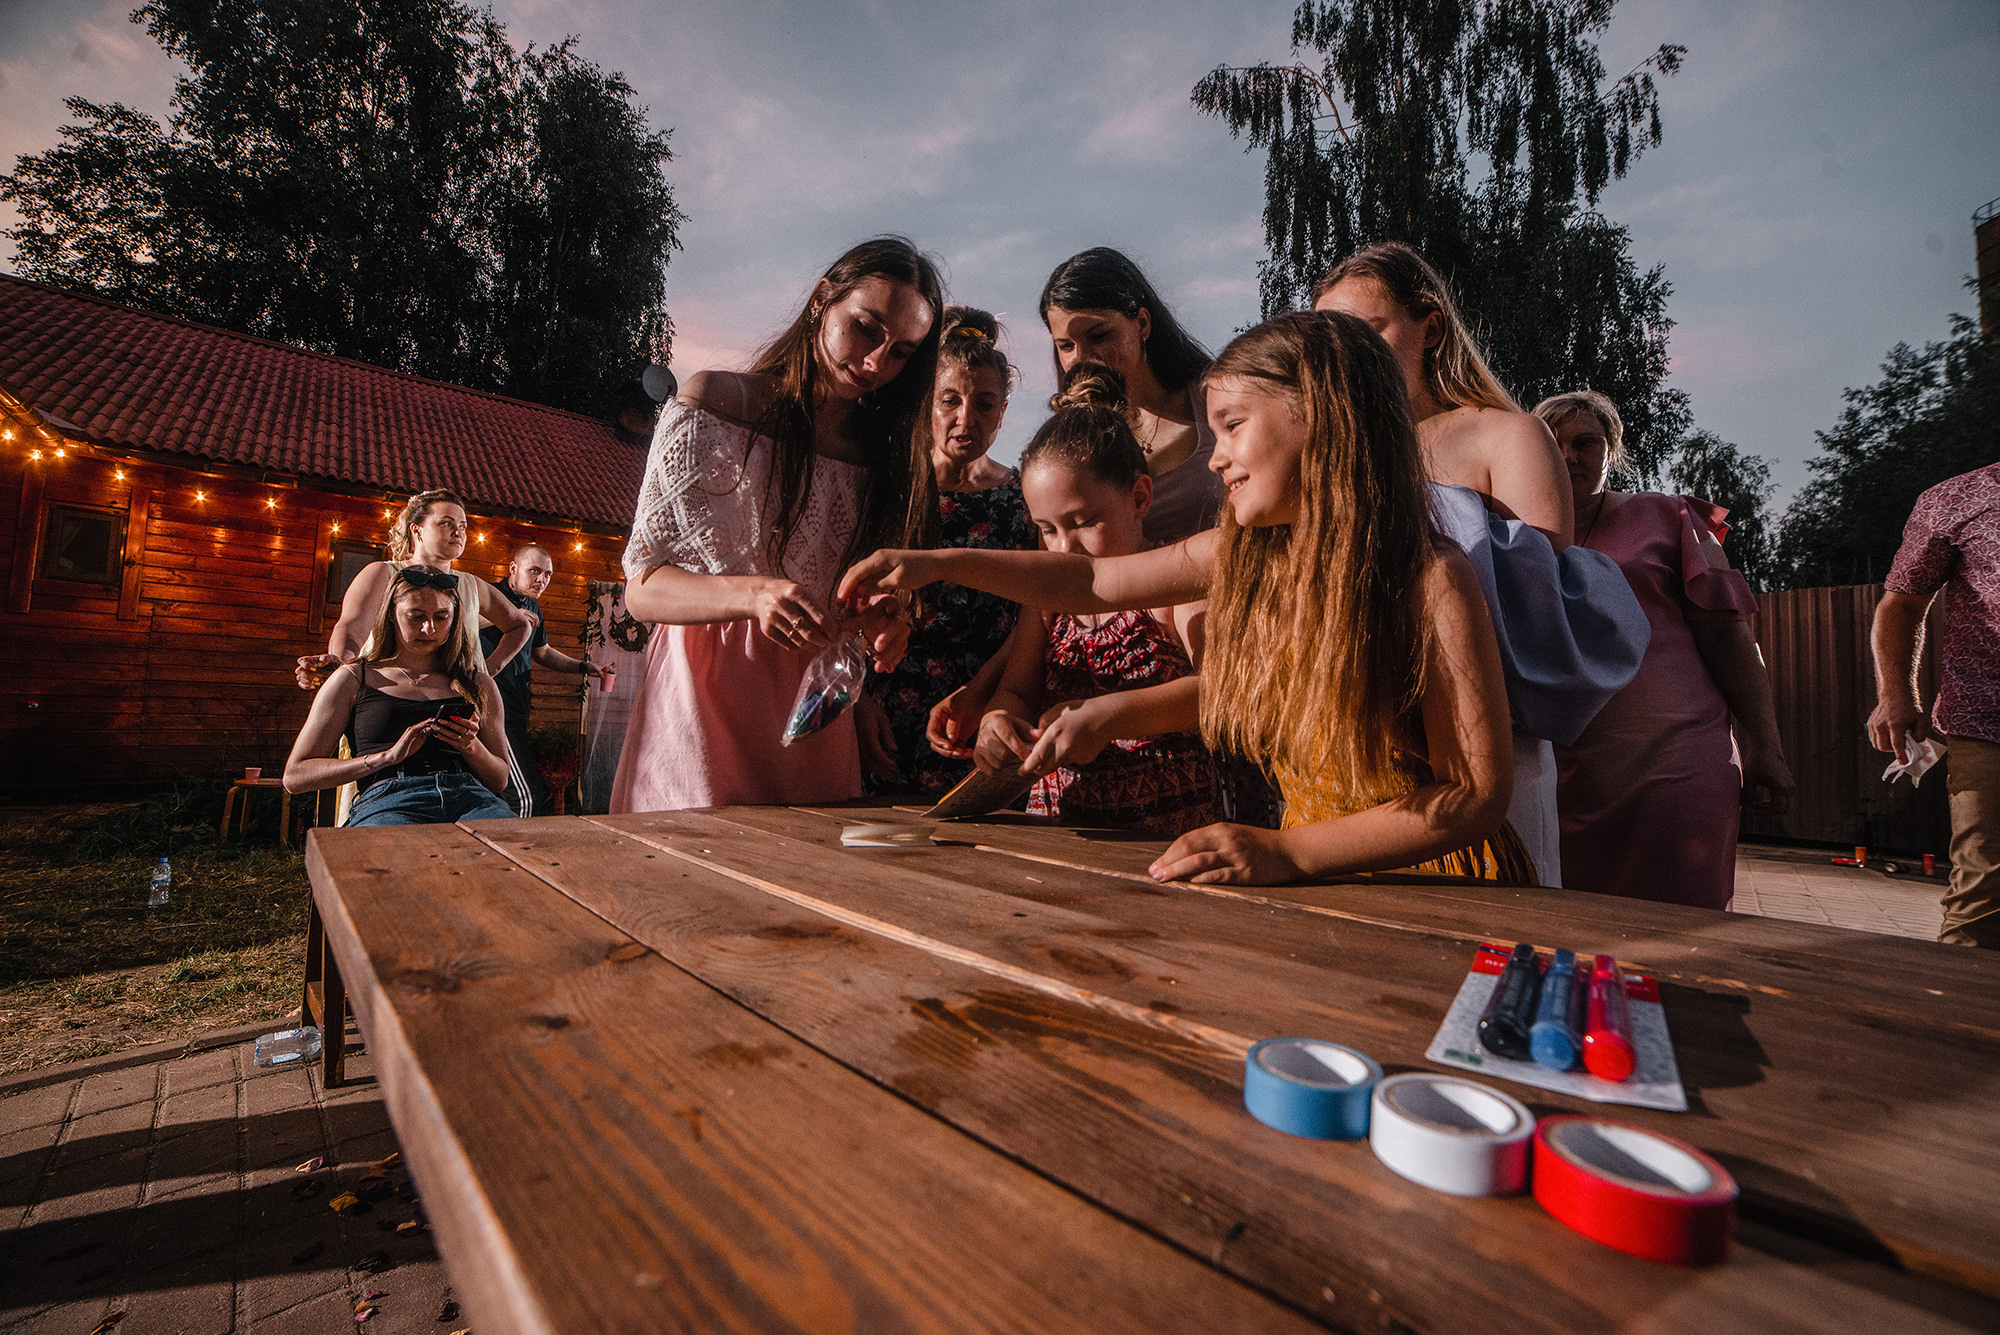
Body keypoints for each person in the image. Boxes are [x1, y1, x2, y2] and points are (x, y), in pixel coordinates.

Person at [843, 310, 1528, 886]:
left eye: (1233, 425)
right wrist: (931, 564)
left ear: (1323, 419)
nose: (1215, 457)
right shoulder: (1245, 554)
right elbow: (1090, 583)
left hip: (1432, 883)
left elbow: (1472, 795)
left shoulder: (1428, 580)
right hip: (1310, 875)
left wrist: (1291, 851)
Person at [1313, 243, 1648, 885]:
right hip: (1360, 747)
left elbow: (1539, 603)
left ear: (1431, 327)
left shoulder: (1506, 435)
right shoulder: (1332, 456)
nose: (1349, 355)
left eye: (1369, 330)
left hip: (1484, 743)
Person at [610, 237, 938, 812]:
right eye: (866, 328)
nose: (875, 363)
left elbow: (845, 608)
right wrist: (756, 595)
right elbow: (641, 589)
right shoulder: (713, 402)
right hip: (702, 702)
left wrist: (876, 623)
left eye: (902, 352)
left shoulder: (883, 458)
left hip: (813, 711)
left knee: (808, 866)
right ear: (821, 300)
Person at [1536, 391, 1793, 911]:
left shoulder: (1669, 517)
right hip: (1559, 775)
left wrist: (1766, 745)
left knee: (1682, 922)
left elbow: (1730, 638)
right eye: (1552, 443)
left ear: (1612, 451)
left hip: (1676, 763)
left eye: (1586, 443)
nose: (1568, 456)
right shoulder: (1510, 534)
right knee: (1566, 928)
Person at [974, 364, 1218, 836]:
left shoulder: (1175, 585)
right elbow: (1018, 691)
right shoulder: (1047, 603)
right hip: (1062, 832)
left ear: (1140, 497)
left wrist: (1107, 718)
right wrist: (997, 721)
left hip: (1163, 836)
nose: (1064, 548)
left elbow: (1214, 691)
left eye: (1083, 522)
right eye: (1047, 530)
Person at [854, 307, 1037, 797]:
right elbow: (846, 595)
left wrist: (986, 696)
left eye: (984, 404)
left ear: (1003, 411)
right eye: (949, 400)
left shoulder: (1024, 500)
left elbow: (1036, 616)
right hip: (886, 715)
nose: (965, 419)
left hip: (987, 713)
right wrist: (856, 702)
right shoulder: (889, 490)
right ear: (926, 403)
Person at [1868, 461, 2000, 946]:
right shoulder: (1957, 499)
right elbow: (1902, 604)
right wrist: (1896, 694)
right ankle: (1962, 992)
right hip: (1987, 719)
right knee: (1986, 890)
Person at [283, 564, 515, 826]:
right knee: (394, 849)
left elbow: (499, 780)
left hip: (470, 798)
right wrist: (387, 758)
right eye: (416, 616)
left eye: (441, 617)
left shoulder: (477, 683)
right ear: (392, 614)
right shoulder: (355, 678)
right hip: (389, 799)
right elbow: (296, 776)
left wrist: (471, 747)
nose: (429, 628)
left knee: (512, 844)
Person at [479, 543, 604, 816]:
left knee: (494, 795)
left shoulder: (533, 606)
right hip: (490, 709)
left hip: (517, 708)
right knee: (526, 796)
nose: (541, 579)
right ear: (513, 568)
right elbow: (460, 619)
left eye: (547, 574)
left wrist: (585, 667)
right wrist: (508, 617)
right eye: (534, 571)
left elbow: (544, 653)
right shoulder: (488, 594)